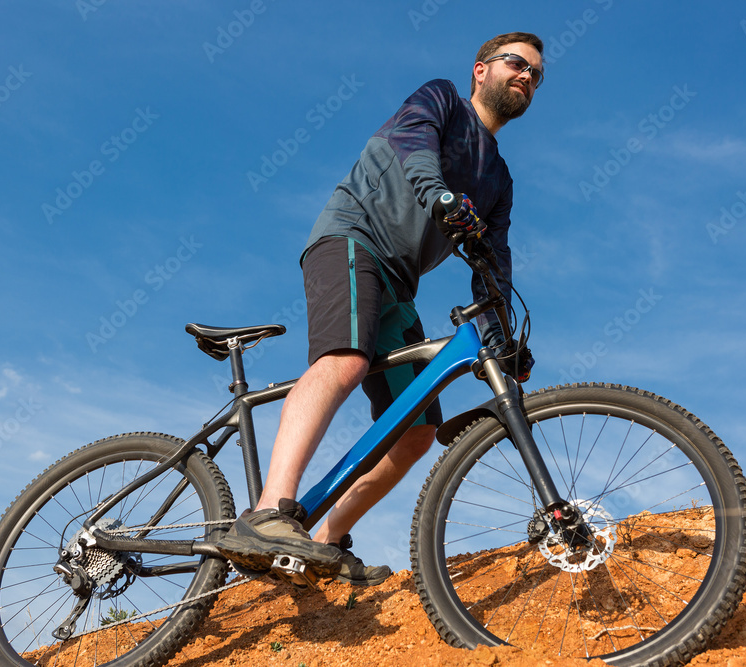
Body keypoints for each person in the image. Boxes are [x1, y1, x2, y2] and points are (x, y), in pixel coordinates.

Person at [218, 32, 543, 586]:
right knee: (345, 360)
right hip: (352, 241)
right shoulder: (441, 99)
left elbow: (494, 262)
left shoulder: (499, 178)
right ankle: (270, 511)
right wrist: (440, 197)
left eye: (537, 75)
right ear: (480, 70)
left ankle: (327, 538)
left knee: (417, 431)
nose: (528, 77)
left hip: (398, 283)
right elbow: (411, 145)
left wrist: (501, 333)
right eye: (517, 64)